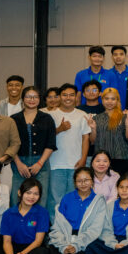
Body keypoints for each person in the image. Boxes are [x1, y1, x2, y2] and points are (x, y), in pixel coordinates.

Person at [45, 167, 106, 254]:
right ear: (75, 183)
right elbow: (58, 225)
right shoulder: (67, 198)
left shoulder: (98, 201)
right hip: (65, 235)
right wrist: (63, 246)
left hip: (84, 238)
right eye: (79, 181)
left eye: (86, 180)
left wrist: (76, 245)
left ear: (92, 181)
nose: (83, 184)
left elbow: (95, 229)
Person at [45, 84, 91, 216]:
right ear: (59, 97)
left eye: (71, 95)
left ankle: (71, 225)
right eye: (64, 95)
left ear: (76, 97)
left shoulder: (82, 115)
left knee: (74, 198)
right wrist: (59, 129)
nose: (68, 98)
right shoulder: (50, 115)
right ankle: (56, 226)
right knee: (55, 199)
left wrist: (83, 159)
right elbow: (45, 137)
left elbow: (86, 139)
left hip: (76, 164)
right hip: (55, 164)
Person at [9, 85, 56, 198]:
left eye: (35, 97)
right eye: (28, 97)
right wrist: (19, 164)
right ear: (23, 99)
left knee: (40, 197)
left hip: (41, 163)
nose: (32, 100)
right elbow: (10, 143)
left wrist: (39, 163)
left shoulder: (47, 118)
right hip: (19, 163)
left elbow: (51, 144)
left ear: (39, 99)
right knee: (17, 197)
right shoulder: (14, 118)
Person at [89, 87, 128, 174]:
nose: (109, 102)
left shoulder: (124, 117)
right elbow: (92, 141)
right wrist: (93, 128)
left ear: (117, 100)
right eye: (106, 98)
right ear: (102, 100)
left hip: (120, 157)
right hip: (101, 160)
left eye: (113, 99)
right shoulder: (96, 118)